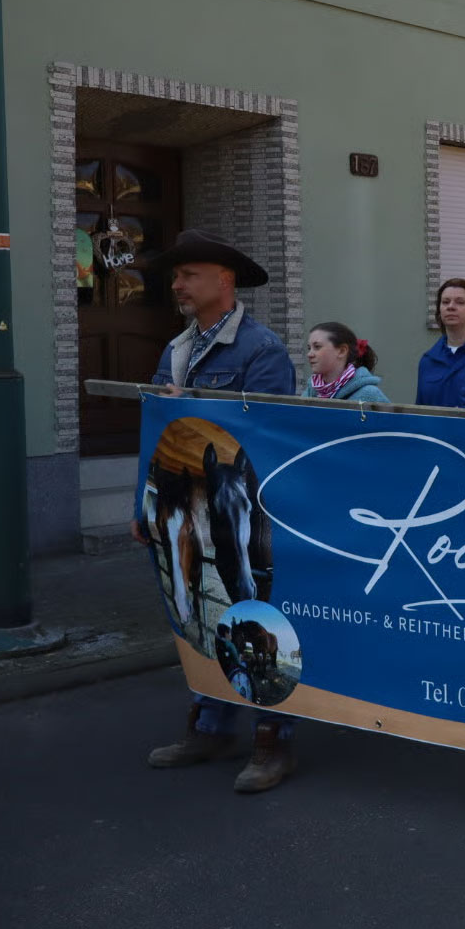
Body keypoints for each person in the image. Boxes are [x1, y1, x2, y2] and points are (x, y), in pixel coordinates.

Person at [133, 229, 299, 793]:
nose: (177, 285)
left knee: (254, 612)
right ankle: (209, 726)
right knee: (197, 618)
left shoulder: (261, 349)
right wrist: (143, 503)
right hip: (182, 504)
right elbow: (156, 430)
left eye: (188, 275)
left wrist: (196, 407)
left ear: (224, 280)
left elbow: (269, 436)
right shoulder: (176, 349)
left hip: (242, 512)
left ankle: (272, 738)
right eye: (176, 277)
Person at [416, 278, 465, 407]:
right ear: (439, 310)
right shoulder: (428, 361)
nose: (451, 307)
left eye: (460, 302)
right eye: (445, 302)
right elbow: (420, 410)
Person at [303, 322, 389, 403]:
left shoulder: (371, 395)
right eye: (309, 348)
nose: (309, 354)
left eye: (317, 347)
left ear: (342, 351)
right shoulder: (310, 391)